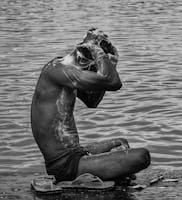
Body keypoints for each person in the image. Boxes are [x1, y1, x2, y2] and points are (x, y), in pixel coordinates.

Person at [31, 28, 151, 183]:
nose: (94, 72)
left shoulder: (67, 71)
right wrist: (102, 55)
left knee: (122, 142)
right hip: (64, 166)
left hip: (76, 153)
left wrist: (108, 61)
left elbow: (92, 101)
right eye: (94, 67)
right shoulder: (57, 70)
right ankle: (95, 174)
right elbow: (113, 82)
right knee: (142, 156)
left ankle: (103, 172)